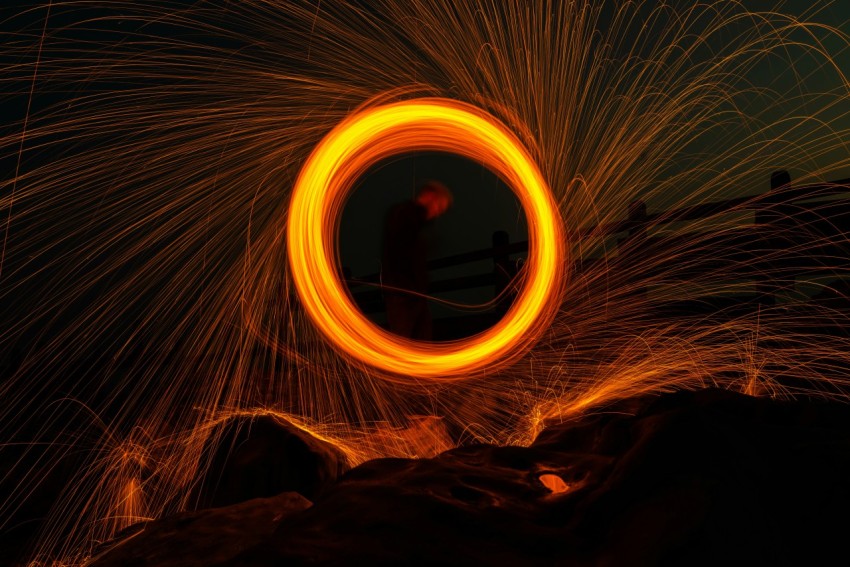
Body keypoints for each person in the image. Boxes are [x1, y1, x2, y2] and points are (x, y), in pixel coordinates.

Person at [381, 181, 453, 340]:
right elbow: (401, 251)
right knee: (404, 340)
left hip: (416, 294)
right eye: (439, 206)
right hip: (402, 293)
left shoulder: (415, 221)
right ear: (430, 196)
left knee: (422, 342)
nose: (438, 212)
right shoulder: (404, 214)